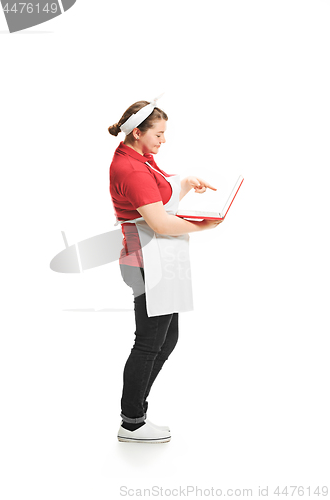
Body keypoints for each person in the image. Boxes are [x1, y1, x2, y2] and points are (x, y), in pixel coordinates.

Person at [108, 96, 222, 443]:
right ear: (138, 132)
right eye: (158, 133)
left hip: (154, 260)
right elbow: (159, 222)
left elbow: (157, 197)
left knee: (167, 338)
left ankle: (137, 411)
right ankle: (132, 422)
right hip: (146, 262)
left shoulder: (140, 157)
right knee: (148, 342)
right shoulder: (130, 167)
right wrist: (206, 226)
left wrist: (185, 184)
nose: (163, 139)